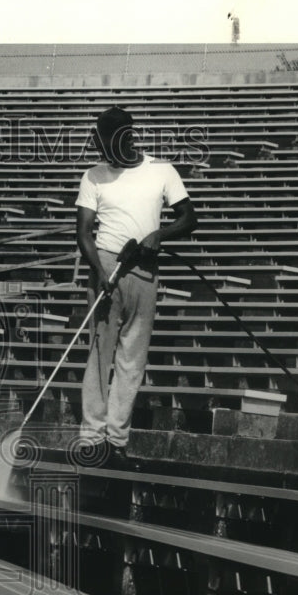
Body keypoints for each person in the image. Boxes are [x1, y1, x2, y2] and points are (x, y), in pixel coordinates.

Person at [75, 106, 198, 462]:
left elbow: (189, 218)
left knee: (132, 358)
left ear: (127, 137)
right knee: (100, 352)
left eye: (108, 142)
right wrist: (98, 270)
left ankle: (116, 439)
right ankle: (91, 437)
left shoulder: (161, 170)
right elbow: (83, 233)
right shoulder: (94, 175)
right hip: (106, 265)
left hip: (144, 269)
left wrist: (161, 233)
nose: (102, 151)